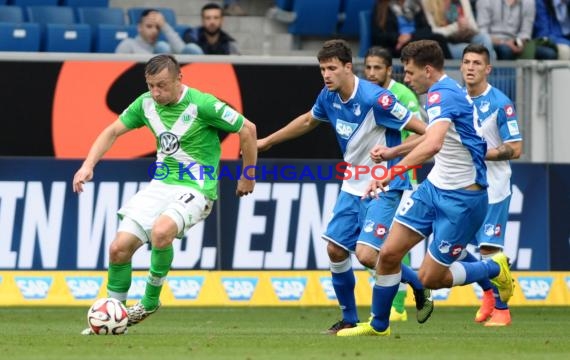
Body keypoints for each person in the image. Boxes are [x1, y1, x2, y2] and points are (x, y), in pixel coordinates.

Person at [337, 39, 515, 337]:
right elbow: (434, 136)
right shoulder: (442, 93)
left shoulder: (441, 95)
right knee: (389, 254)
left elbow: (432, 144)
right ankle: (378, 325)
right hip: (433, 188)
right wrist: (394, 153)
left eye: (409, 72)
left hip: (464, 198)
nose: (406, 79)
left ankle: (494, 269)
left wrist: (391, 171)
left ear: (428, 70)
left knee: (432, 278)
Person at [257, 39, 432, 335]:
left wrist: (393, 154)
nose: (326, 75)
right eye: (322, 69)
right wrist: (267, 141)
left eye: (332, 68)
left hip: (383, 183)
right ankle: (349, 318)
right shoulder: (328, 96)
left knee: (365, 255)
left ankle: (416, 284)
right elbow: (307, 121)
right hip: (352, 183)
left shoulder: (377, 99)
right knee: (336, 250)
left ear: (348, 67)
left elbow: (427, 134)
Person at [74, 54, 257, 334]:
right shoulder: (145, 104)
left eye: (162, 85)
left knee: (161, 232)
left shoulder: (203, 104)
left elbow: (248, 128)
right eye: (151, 86)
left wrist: (248, 174)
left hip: (197, 187)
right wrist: (88, 166)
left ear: (179, 79)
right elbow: (112, 131)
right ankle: (114, 316)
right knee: (118, 249)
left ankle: (149, 302)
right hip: (160, 185)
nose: (156, 93)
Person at [460, 44, 523, 326]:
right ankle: (488, 292)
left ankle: (502, 309)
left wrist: (481, 153)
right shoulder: (456, 100)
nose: (470, 67)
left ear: (488, 70)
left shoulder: (500, 103)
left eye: (476, 63)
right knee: (452, 246)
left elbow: (516, 148)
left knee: (488, 250)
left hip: (494, 188)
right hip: (461, 186)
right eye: (466, 62)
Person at [363, 46, 424, 322]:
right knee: (365, 245)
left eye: (378, 68)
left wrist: (394, 156)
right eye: (368, 67)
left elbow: (422, 135)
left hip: (399, 178)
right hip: (366, 178)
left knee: (393, 244)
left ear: (389, 70)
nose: (372, 73)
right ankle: (409, 287)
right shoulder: (363, 94)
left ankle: (398, 305)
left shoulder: (402, 95)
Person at [476, 0, 557, 60]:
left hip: (517, 42)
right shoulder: (485, 1)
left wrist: (519, 43)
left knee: (549, 54)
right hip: (493, 42)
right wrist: (505, 43)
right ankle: (507, 82)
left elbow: (526, 32)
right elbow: (483, 33)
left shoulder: (529, 2)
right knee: (505, 50)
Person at [371, 0, 453, 59]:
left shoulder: (415, 4)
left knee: (439, 39)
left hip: (415, 38)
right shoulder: (382, 6)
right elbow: (378, 35)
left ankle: (451, 75)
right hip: (396, 46)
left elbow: (427, 28)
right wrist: (398, 37)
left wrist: (410, 36)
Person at [420, 0, 497, 59]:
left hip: (466, 36)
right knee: (480, 53)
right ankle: (487, 77)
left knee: (484, 38)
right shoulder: (427, 2)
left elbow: (474, 26)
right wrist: (456, 26)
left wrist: (466, 25)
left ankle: (488, 77)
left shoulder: (462, 1)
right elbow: (433, 31)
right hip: (445, 43)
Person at [115, 9, 203, 54]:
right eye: (149, 26)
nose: (154, 31)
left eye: (158, 27)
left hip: (166, 83)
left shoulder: (164, 48)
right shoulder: (128, 44)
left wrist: (164, 25)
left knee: (192, 48)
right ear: (139, 27)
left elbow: (182, 50)